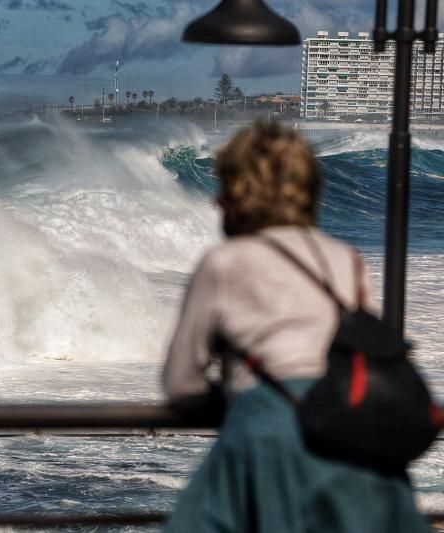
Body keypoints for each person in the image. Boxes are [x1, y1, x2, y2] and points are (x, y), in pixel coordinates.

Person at [162, 121, 429, 532]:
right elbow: (368, 352)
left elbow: (181, 383)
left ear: (239, 193)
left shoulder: (225, 262)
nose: (216, 199)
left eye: (226, 186)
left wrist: (229, 396)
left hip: (272, 429)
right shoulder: (346, 259)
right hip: (355, 430)